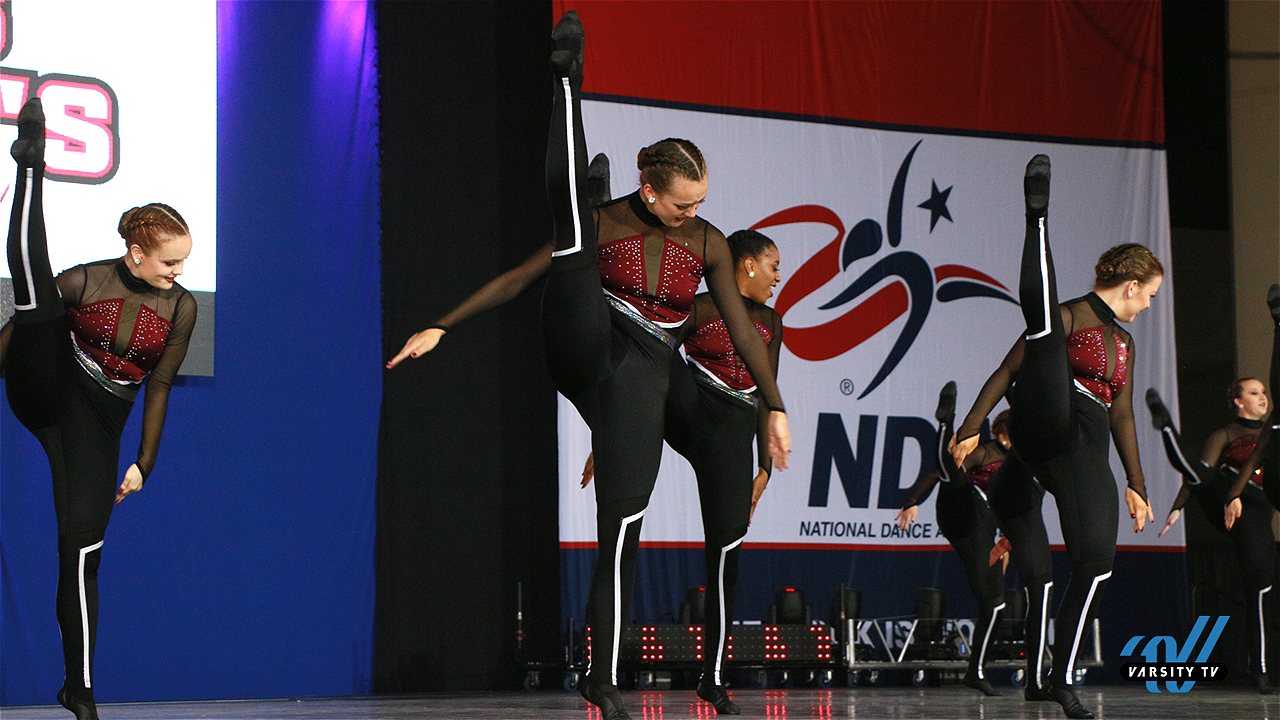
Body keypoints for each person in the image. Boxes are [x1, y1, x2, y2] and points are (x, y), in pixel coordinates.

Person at [543, 13, 789, 720]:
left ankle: (713, 676)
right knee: (572, 244)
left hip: (710, 415)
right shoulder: (684, 282)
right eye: (685, 203)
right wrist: (615, 423)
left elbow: (749, 345)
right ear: (652, 192)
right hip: (630, 363)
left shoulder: (724, 274)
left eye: (702, 205)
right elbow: (660, 353)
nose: (694, 214)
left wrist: (774, 413)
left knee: (716, 537)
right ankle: (568, 90)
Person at [0, 98, 197, 720]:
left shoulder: (182, 307)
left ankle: (77, 689)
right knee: (35, 301)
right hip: (47, 388)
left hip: (97, 423)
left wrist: (144, 462)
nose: (179, 271)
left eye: (184, 261)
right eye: (170, 260)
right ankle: (30, 165)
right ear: (138, 252)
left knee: (82, 550)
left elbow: (159, 384)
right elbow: (20, 333)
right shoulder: (86, 279)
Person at [951, 155, 1157, 719]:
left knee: (1097, 560)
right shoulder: (1071, 317)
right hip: (1045, 413)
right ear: (1133, 285)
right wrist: (971, 427)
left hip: (1083, 444)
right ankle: (1035, 218)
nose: (1149, 305)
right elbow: (1004, 371)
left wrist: (1136, 483)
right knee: (1042, 330)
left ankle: (1054, 677)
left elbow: (1123, 416)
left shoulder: (1126, 347)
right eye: (1150, 296)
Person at [1147, 380, 1277, 693]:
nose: (1263, 397)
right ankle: (1167, 431)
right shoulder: (1226, 434)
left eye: (1264, 391)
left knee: (1260, 589)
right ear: (1237, 401)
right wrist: (1178, 508)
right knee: (1204, 473)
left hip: (1259, 512)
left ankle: (1257, 667)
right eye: (1254, 392)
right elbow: (1197, 478)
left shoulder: (1273, 431)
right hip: (1225, 496)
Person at [896, 392, 1012, 696]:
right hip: (961, 508)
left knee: (996, 604)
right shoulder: (985, 452)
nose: (1012, 444)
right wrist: (911, 502)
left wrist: (1007, 543)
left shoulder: (1018, 465)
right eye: (1009, 437)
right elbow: (938, 474)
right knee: (954, 474)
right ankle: (945, 427)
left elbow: (1018, 508)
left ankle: (976, 670)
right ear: (999, 434)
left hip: (978, 531)